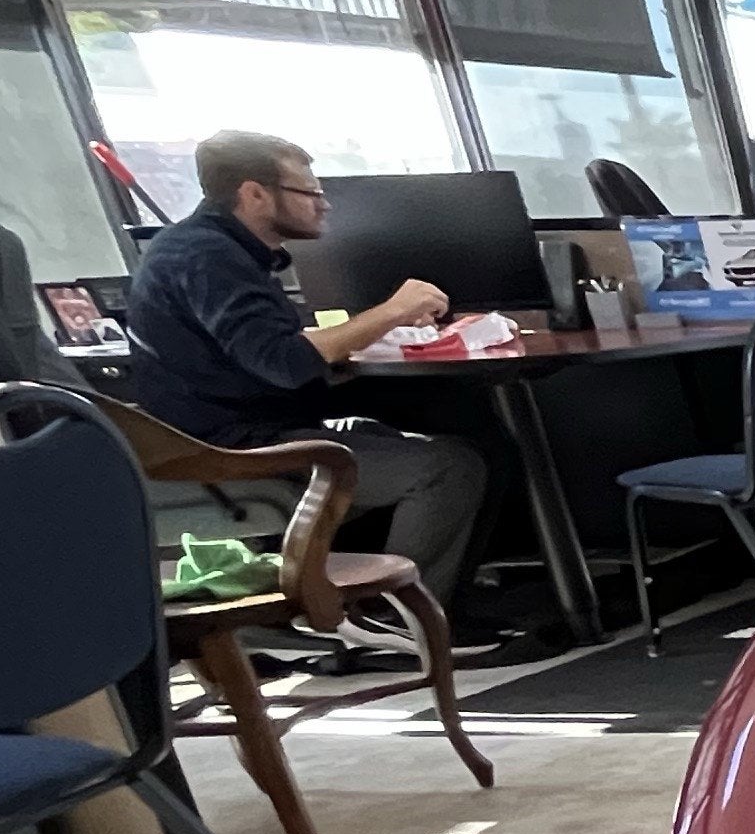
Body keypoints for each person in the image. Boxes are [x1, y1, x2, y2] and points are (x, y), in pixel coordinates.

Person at [124, 128, 488, 618]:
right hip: (231, 446)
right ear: (254, 193)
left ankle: (435, 609)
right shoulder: (205, 256)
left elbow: (265, 357)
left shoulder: (214, 251)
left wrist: (367, 336)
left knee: (474, 450)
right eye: (310, 193)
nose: (324, 204)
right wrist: (391, 312)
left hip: (251, 427)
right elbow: (285, 361)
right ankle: (392, 624)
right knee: (444, 469)